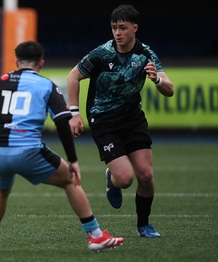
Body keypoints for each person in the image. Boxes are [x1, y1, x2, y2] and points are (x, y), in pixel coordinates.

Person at [0, 40, 124, 252]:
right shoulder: (46, 85)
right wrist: (72, 160)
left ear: (16, 61)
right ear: (42, 62)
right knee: (71, 180)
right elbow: (63, 121)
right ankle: (96, 236)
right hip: (28, 150)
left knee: (1, 190)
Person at [67, 4, 175, 238]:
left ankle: (143, 225)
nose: (118, 32)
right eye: (114, 28)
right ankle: (112, 179)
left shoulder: (146, 54)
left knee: (145, 175)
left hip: (132, 120)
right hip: (104, 121)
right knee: (125, 179)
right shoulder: (101, 54)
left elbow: (170, 89)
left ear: (134, 28)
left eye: (123, 28)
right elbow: (74, 75)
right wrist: (74, 113)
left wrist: (156, 80)